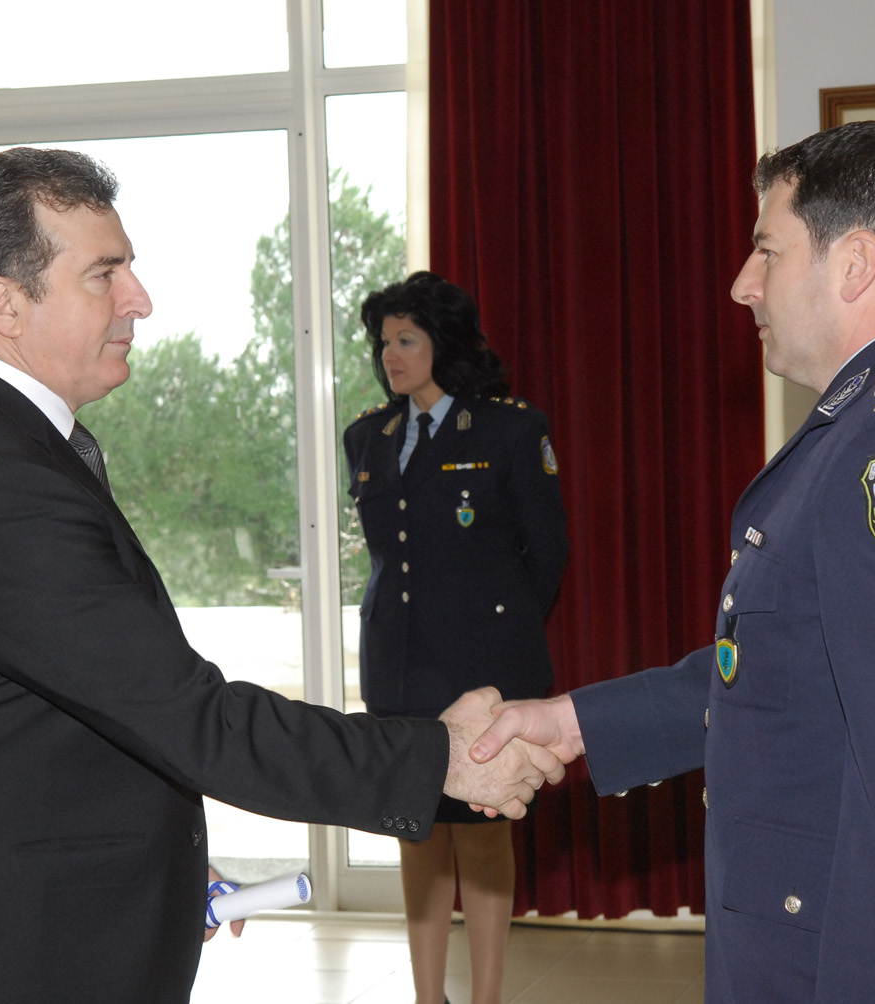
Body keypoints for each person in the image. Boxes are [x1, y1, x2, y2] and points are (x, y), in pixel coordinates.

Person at [0, 146, 561, 1004]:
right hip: (2, 956)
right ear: (5, 304)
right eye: (105, 274)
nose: (138, 299)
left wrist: (162, 859)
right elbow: (189, 715)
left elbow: (46, 724)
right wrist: (438, 758)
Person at [470, 121, 875, 1002]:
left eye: (768, 250)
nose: (742, 284)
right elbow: (794, 666)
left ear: (854, 263)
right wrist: (577, 724)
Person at [344, 271, 567, 1004]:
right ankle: (427, 995)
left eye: (406, 340)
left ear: (443, 343)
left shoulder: (509, 429)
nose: (391, 356)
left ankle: (487, 995)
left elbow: (547, 555)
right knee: (416, 825)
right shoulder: (367, 436)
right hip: (399, 665)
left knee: (480, 828)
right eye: (384, 343)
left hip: (483, 668)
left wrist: (497, 629)